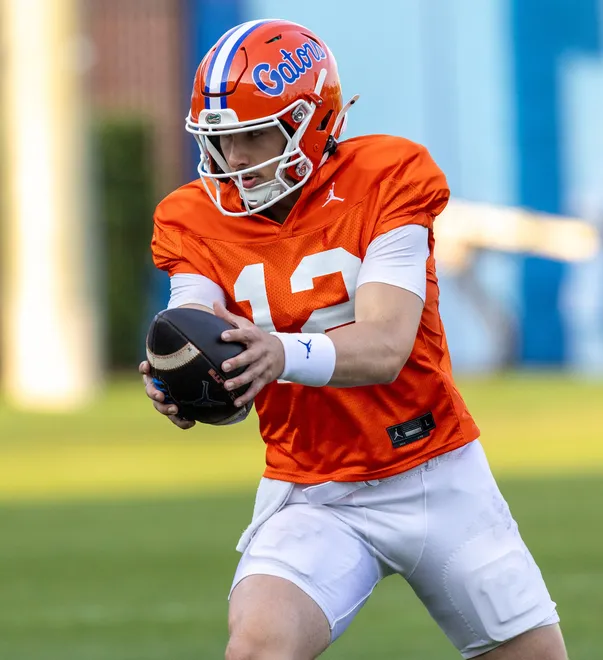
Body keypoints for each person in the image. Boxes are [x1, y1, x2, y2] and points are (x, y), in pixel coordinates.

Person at [140, 18, 567, 660]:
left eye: (255, 136)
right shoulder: (191, 218)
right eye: (223, 142)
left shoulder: (387, 177)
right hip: (313, 488)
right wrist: (178, 376)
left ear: (312, 122)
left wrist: (278, 351)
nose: (238, 162)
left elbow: (387, 345)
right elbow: (192, 324)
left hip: (436, 473)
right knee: (257, 647)